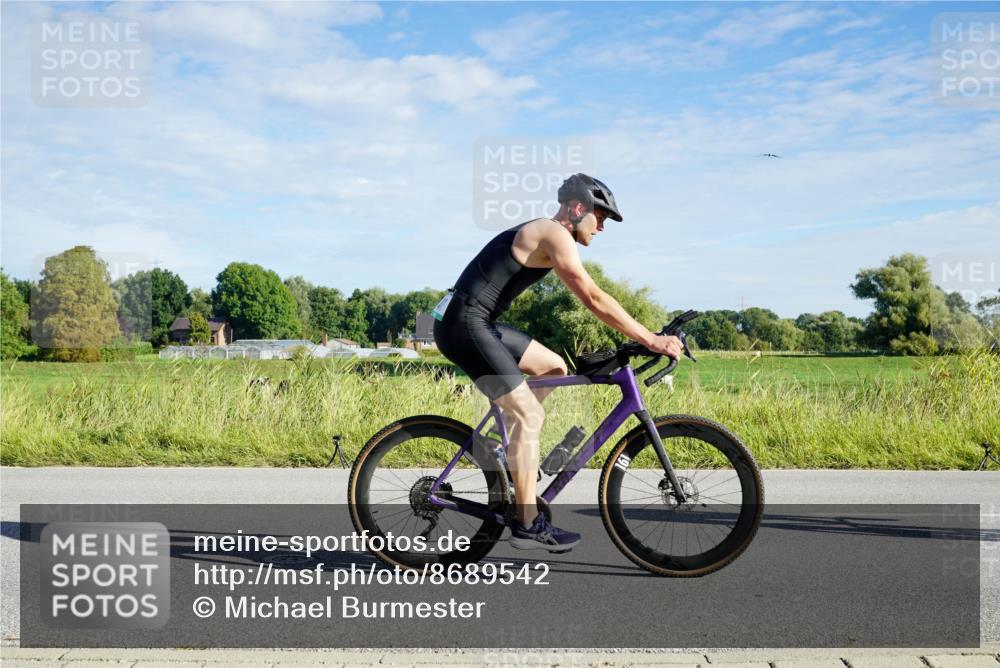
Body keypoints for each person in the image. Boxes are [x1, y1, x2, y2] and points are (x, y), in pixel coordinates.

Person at [432, 174, 682, 551]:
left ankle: (507, 452)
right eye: (600, 215)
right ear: (577, 207)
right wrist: (650, 338)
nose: (602, 226)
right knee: (530, 415)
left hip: (480, 322)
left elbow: (595, 297)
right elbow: (593, 298)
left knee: (553, 368)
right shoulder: (552, 233)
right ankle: (527, 524)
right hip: (463, 324)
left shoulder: (552, 235)